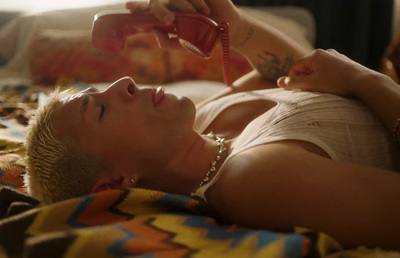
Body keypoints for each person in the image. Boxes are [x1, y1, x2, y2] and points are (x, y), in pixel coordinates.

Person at [24, 0, 400, 251]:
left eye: (101, 89)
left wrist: (231, 26)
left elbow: (298, 72)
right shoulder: (251, 179)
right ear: (120, 182)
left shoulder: (206, 117)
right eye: (100, 110)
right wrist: (367, 81)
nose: (125, 83)